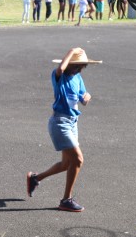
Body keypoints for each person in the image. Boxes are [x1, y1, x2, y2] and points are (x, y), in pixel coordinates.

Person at [26, 47, 101, 212]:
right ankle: (66, 200)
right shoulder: (59, 76)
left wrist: (86, 97)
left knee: (67, 164)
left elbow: (83, 97)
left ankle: (35, 178)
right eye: (76, 66)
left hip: (73, 122)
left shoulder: (78, 77)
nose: (79, 69)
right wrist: (71, 51)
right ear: (69, 65)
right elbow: (61, 68)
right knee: (78, 160)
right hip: (60, 122)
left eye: (82, 66)